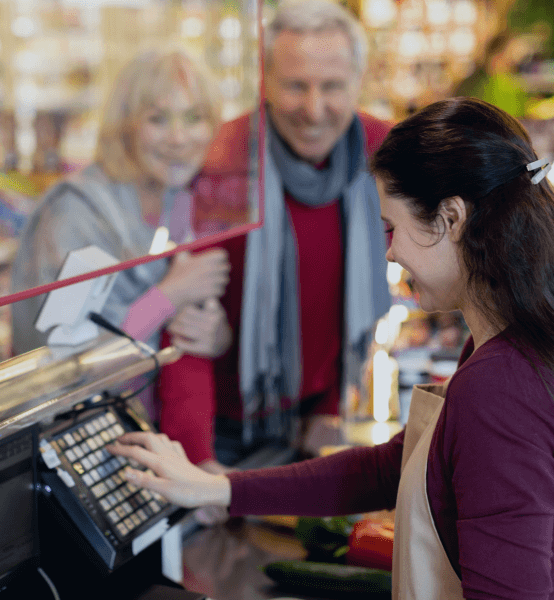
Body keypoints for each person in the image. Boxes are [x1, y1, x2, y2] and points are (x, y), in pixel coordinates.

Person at [109, 97, 554, 599]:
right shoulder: (518, 345)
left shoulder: (502, 387)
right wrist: (218, 488)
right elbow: (392, 468)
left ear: (452, 219)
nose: (389, 254)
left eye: (392, 228)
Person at [154, 0, 393, 475]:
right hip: (222, 431)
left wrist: (327, 407)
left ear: (358, 84)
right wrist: (198, 460)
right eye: (295, 86)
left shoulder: (381, 152)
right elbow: (189, 328)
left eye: (332, 87)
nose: (313, 108)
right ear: (263, 82)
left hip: (312, 424)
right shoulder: (221, 164)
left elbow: (348, 298)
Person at [10, 49, 232, 405]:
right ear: (124, 125)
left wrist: (216, 336)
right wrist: (168, 297)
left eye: (194, 117)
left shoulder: (180, 200)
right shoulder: (76, 211)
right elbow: (63, 360)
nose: (179, 138)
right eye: (158, 119)